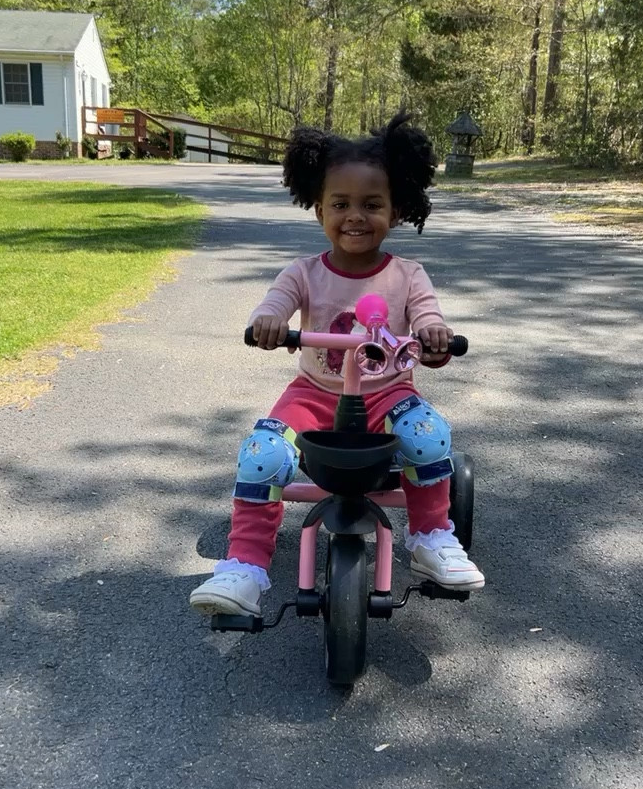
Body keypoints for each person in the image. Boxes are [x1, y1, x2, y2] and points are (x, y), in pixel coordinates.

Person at [190, 112, 485, 617]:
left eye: (372, 205)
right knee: (262, 453)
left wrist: (433, 336)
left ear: (396, 210)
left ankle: (432, 538)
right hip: (313, 394)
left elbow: (429, 321)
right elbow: (275, 304)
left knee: (428, 434)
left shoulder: (408, 275)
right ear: (318, 209)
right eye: (340, 204)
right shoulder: (303, 273)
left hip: (388, 393)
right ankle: (245, 567)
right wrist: (267, 322)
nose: (355, 216)